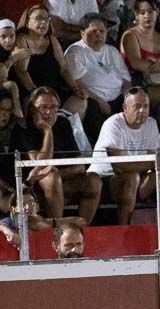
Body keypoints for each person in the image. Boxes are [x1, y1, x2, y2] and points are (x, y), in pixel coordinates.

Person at [19, 86, 102, 223]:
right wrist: (47, 131)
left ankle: (82, 230)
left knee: (93, 180)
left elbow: (79, 165)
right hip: (33, 187)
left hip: (63, 181)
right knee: (51, 176)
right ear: (33, 109)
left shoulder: (63, 123)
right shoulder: (24, 128)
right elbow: (40, 166)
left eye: (53, 107)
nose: (49, 112)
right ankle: (58, 229)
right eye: (43, 108)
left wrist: (58, 173)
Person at [90, 88, 159, 226]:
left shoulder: (151, 123)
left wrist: (156, 164)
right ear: (125, 108)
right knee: (131, 177)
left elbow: (155, 160)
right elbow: (119, 166)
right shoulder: (114, 124)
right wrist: (153, 164)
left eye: (145, 106)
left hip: (135, 177)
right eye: (137, 106)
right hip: (104, 179)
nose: (142, 111)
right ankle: (124, 228)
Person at [13, 6, 88, 120]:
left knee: (80, 100)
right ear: (27, 22)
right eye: (38, 18)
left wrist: (75, 88)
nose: (43, 22)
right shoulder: (22, 39)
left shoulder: (52, 39)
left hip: (54, 92)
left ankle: (64, 126)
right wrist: (38, 94)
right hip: (32, 92)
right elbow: (21, 71)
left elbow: (64, 69)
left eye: (46, 19)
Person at [65, 14, 131, 139]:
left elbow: (126, 80)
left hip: (118, 99)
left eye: (102, 31)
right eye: (93, 31)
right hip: (93, 100)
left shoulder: (112, 51)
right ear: (83, 33)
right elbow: (76, 82)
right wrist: (100, 102)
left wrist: (128, 100)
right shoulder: (75, 51)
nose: (99, 35)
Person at [121, 0, 160, 126]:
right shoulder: (130, 35)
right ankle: (157, 129)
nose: (147, 16)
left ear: (157, 13)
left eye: (150, 12)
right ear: (136, 15)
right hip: (138, 82)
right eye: (142, 12)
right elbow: (137, 64)